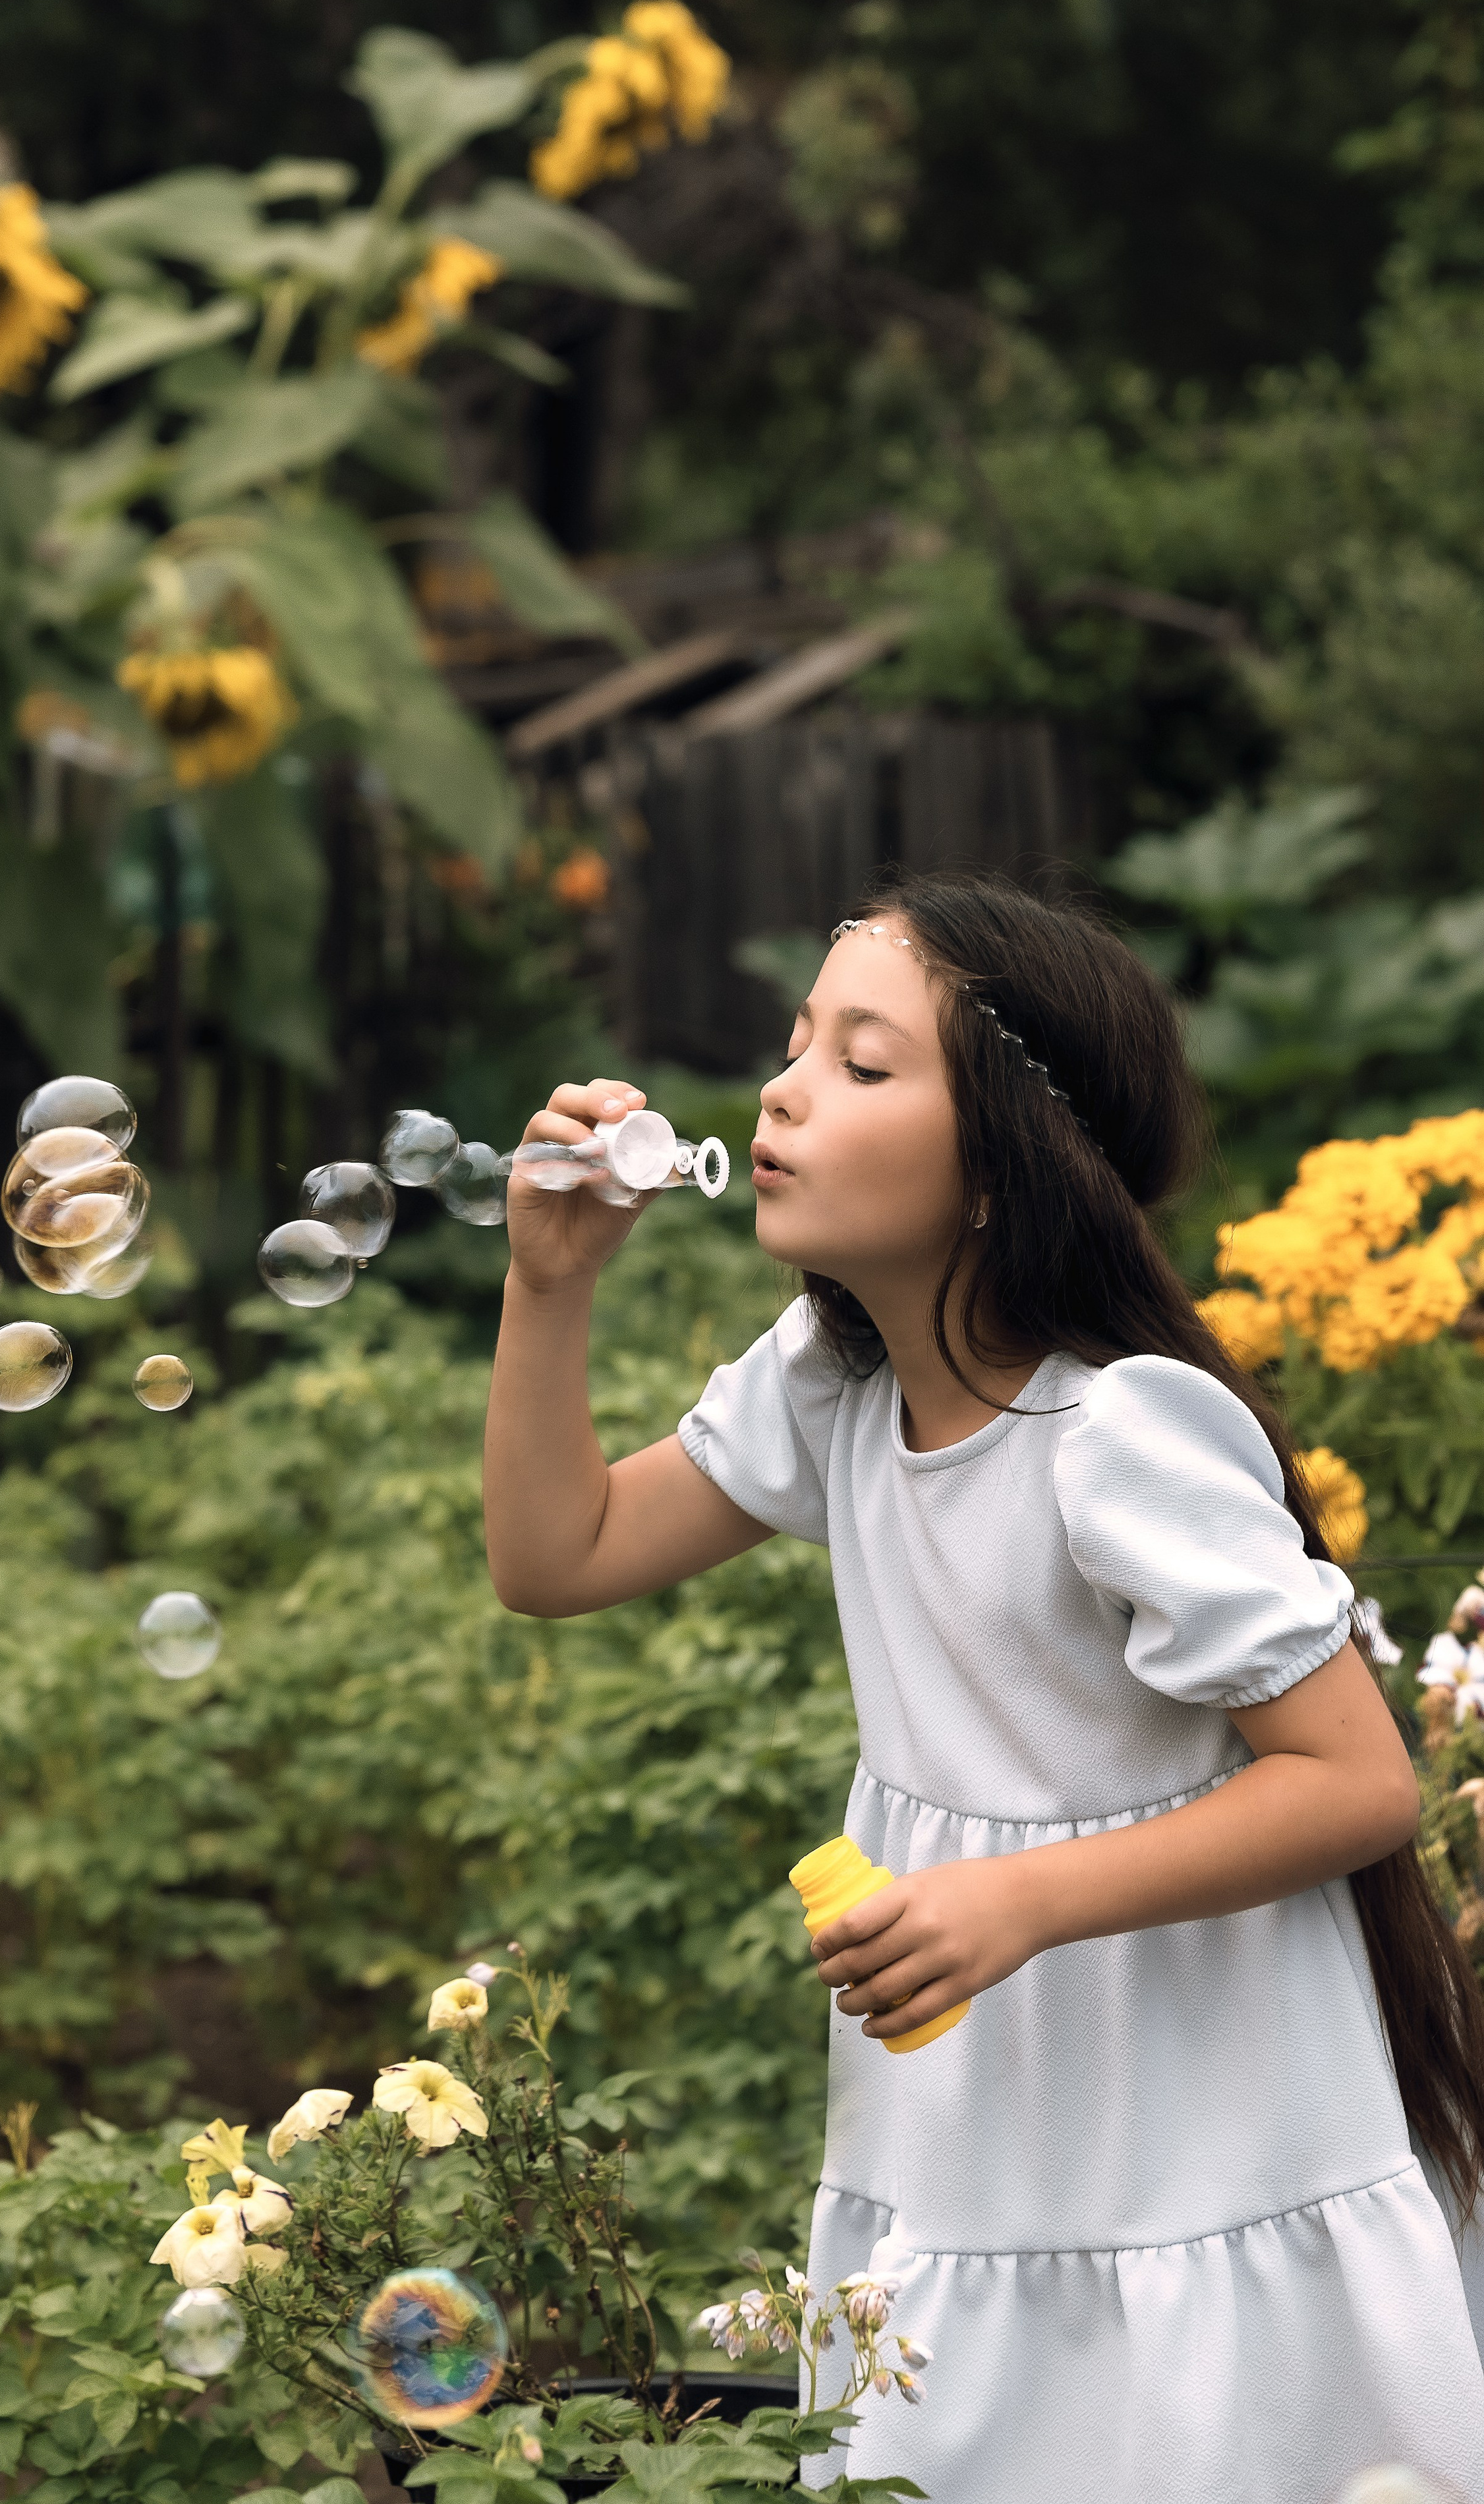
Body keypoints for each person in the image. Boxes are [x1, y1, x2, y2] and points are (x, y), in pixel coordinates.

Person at [481, 871, 1484, 2504]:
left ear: (1003, 1167)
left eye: (863, 1065)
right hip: (970, 2079)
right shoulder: (835, 1386)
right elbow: (556, 1550)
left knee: (1194, 2438)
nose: (785, 1088)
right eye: (796, 1043)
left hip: (1189, 2077)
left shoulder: (1118, 1439)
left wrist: (1010, 1900)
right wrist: (550, 1285)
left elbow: (1357, 1781)